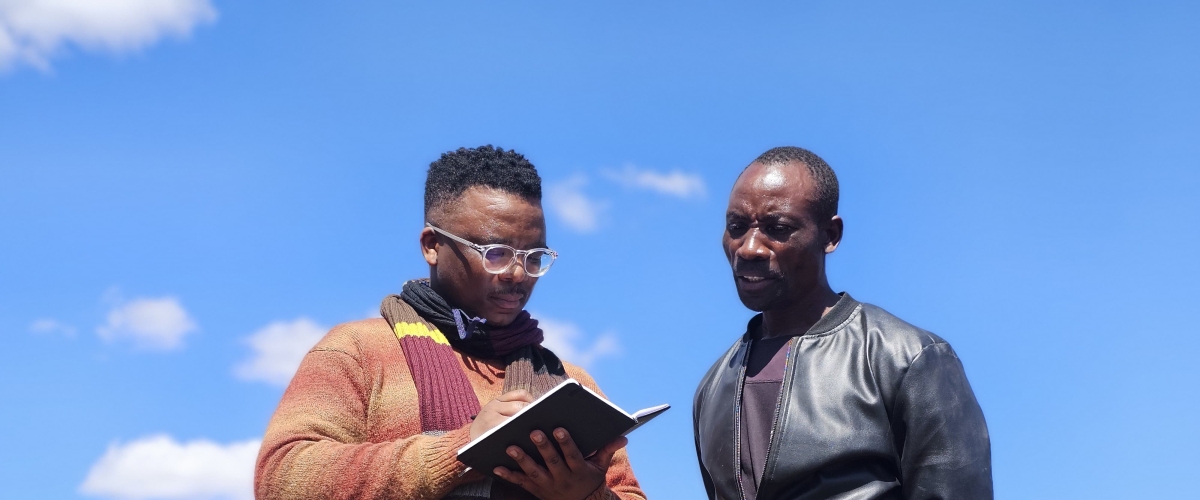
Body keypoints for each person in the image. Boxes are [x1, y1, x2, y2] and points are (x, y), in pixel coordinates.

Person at [256, 146, 645, 500]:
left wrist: (587, 495)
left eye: (534, 257)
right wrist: (462, 449)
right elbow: (280, 478)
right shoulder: (357, 350)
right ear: (432, 246)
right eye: (495, 253)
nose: (517, 274)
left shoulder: (570, 383)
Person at [693, 147, 992, 500]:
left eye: (778, 228)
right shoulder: (712, 388)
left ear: (830, 235)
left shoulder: (908, 359)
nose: (749, 248)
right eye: (737, 227)